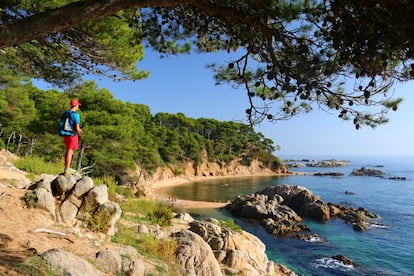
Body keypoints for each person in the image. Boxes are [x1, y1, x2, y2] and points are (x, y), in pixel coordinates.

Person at [63, 99, 83, 175]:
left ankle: (66, 167)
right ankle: (67, 168)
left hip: (65, 134)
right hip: (72, 135)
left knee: (68, 150)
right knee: (70, 151)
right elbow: (77, 127)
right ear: (76, 105)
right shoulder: (76, 115)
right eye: (78, 105)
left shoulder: (65, 113)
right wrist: (80, 131)